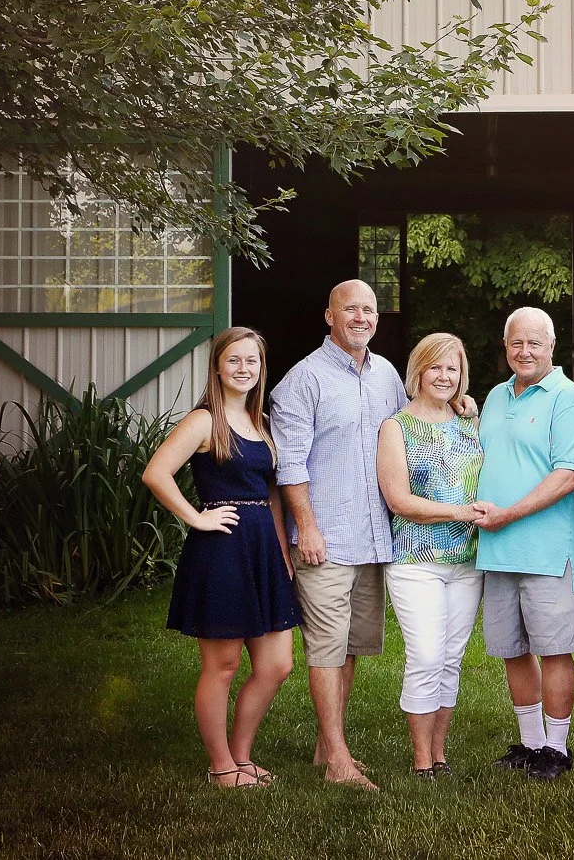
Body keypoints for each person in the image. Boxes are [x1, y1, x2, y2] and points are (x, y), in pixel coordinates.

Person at [142, 327, 300, 789]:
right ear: (217, 366)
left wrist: (281, 550)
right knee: (223, 666)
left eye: (252, 360)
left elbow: (271, 492)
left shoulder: (261, 421)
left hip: (263, 550)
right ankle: (221, 766)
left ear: (261, 368)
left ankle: (242, 757)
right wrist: (197, 517)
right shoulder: (204, 421)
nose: (244, 368)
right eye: (234, 360)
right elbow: (156, 473)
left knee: (276, 665)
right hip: (223, 549)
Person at [271, 279, 408, 791]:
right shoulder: (302, 381)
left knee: (349, 647)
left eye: (369, 310)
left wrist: (459, 404)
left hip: (372, 539)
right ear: (329, 316)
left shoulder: (387, 375)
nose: (361, 317)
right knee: (326, 647)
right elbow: (290, 465)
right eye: (350, 309)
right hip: (324, 539)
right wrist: (306, 528)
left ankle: (327, 746)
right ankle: (338, 762)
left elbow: (409, 427)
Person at [472, 305, 574, 780]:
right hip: (498, 549)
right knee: (512, 649)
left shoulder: (567, 398)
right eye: (516, 343)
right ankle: (530, 743)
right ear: (506, 347)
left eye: (534, 343)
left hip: (547, 549)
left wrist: (508, 514)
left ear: (551, 346)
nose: (525, 351)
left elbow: (568, 475)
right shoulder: (496, 396)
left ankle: (557, 750)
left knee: (554, 649)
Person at [374, 332, 484, 779]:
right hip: (415, 560)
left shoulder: (468, 421)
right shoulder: (396, 427)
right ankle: (421, 760)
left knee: (451, 658)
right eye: (435, 367)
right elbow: (398, 500)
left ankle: (439, 754)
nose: (444, 376)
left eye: (452, 368)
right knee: (425, 655)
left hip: (467, 560)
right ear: (418, 371)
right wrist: (460, 512)